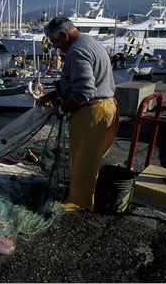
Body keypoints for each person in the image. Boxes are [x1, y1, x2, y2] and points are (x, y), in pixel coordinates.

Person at [37, 17, 120, 212]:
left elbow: (84, 92)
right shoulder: (89, 42)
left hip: (94, 112)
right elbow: (78, 82)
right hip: (107, 106)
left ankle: (79, 201)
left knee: (83, 160)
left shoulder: (76, 52)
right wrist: (52, 95)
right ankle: (81, 191)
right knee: (90, 158)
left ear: (64, 35)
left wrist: (62, 109)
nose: (56, 47)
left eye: (55, 42)